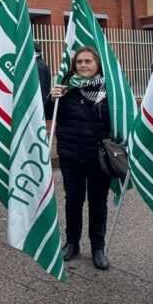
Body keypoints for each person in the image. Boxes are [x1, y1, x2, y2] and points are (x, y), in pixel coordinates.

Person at [47, 45, 112, 270]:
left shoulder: (110, 91)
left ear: (98, 65)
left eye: (88, 61)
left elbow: (122, 119)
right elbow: (48, 114)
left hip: (99, 158)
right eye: (80, 62)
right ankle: (72, 243)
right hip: (71, 155)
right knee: (73, 200)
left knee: (98, 203)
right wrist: (51, 98)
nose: (83, 65)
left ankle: (98, 248)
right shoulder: (64, 89)